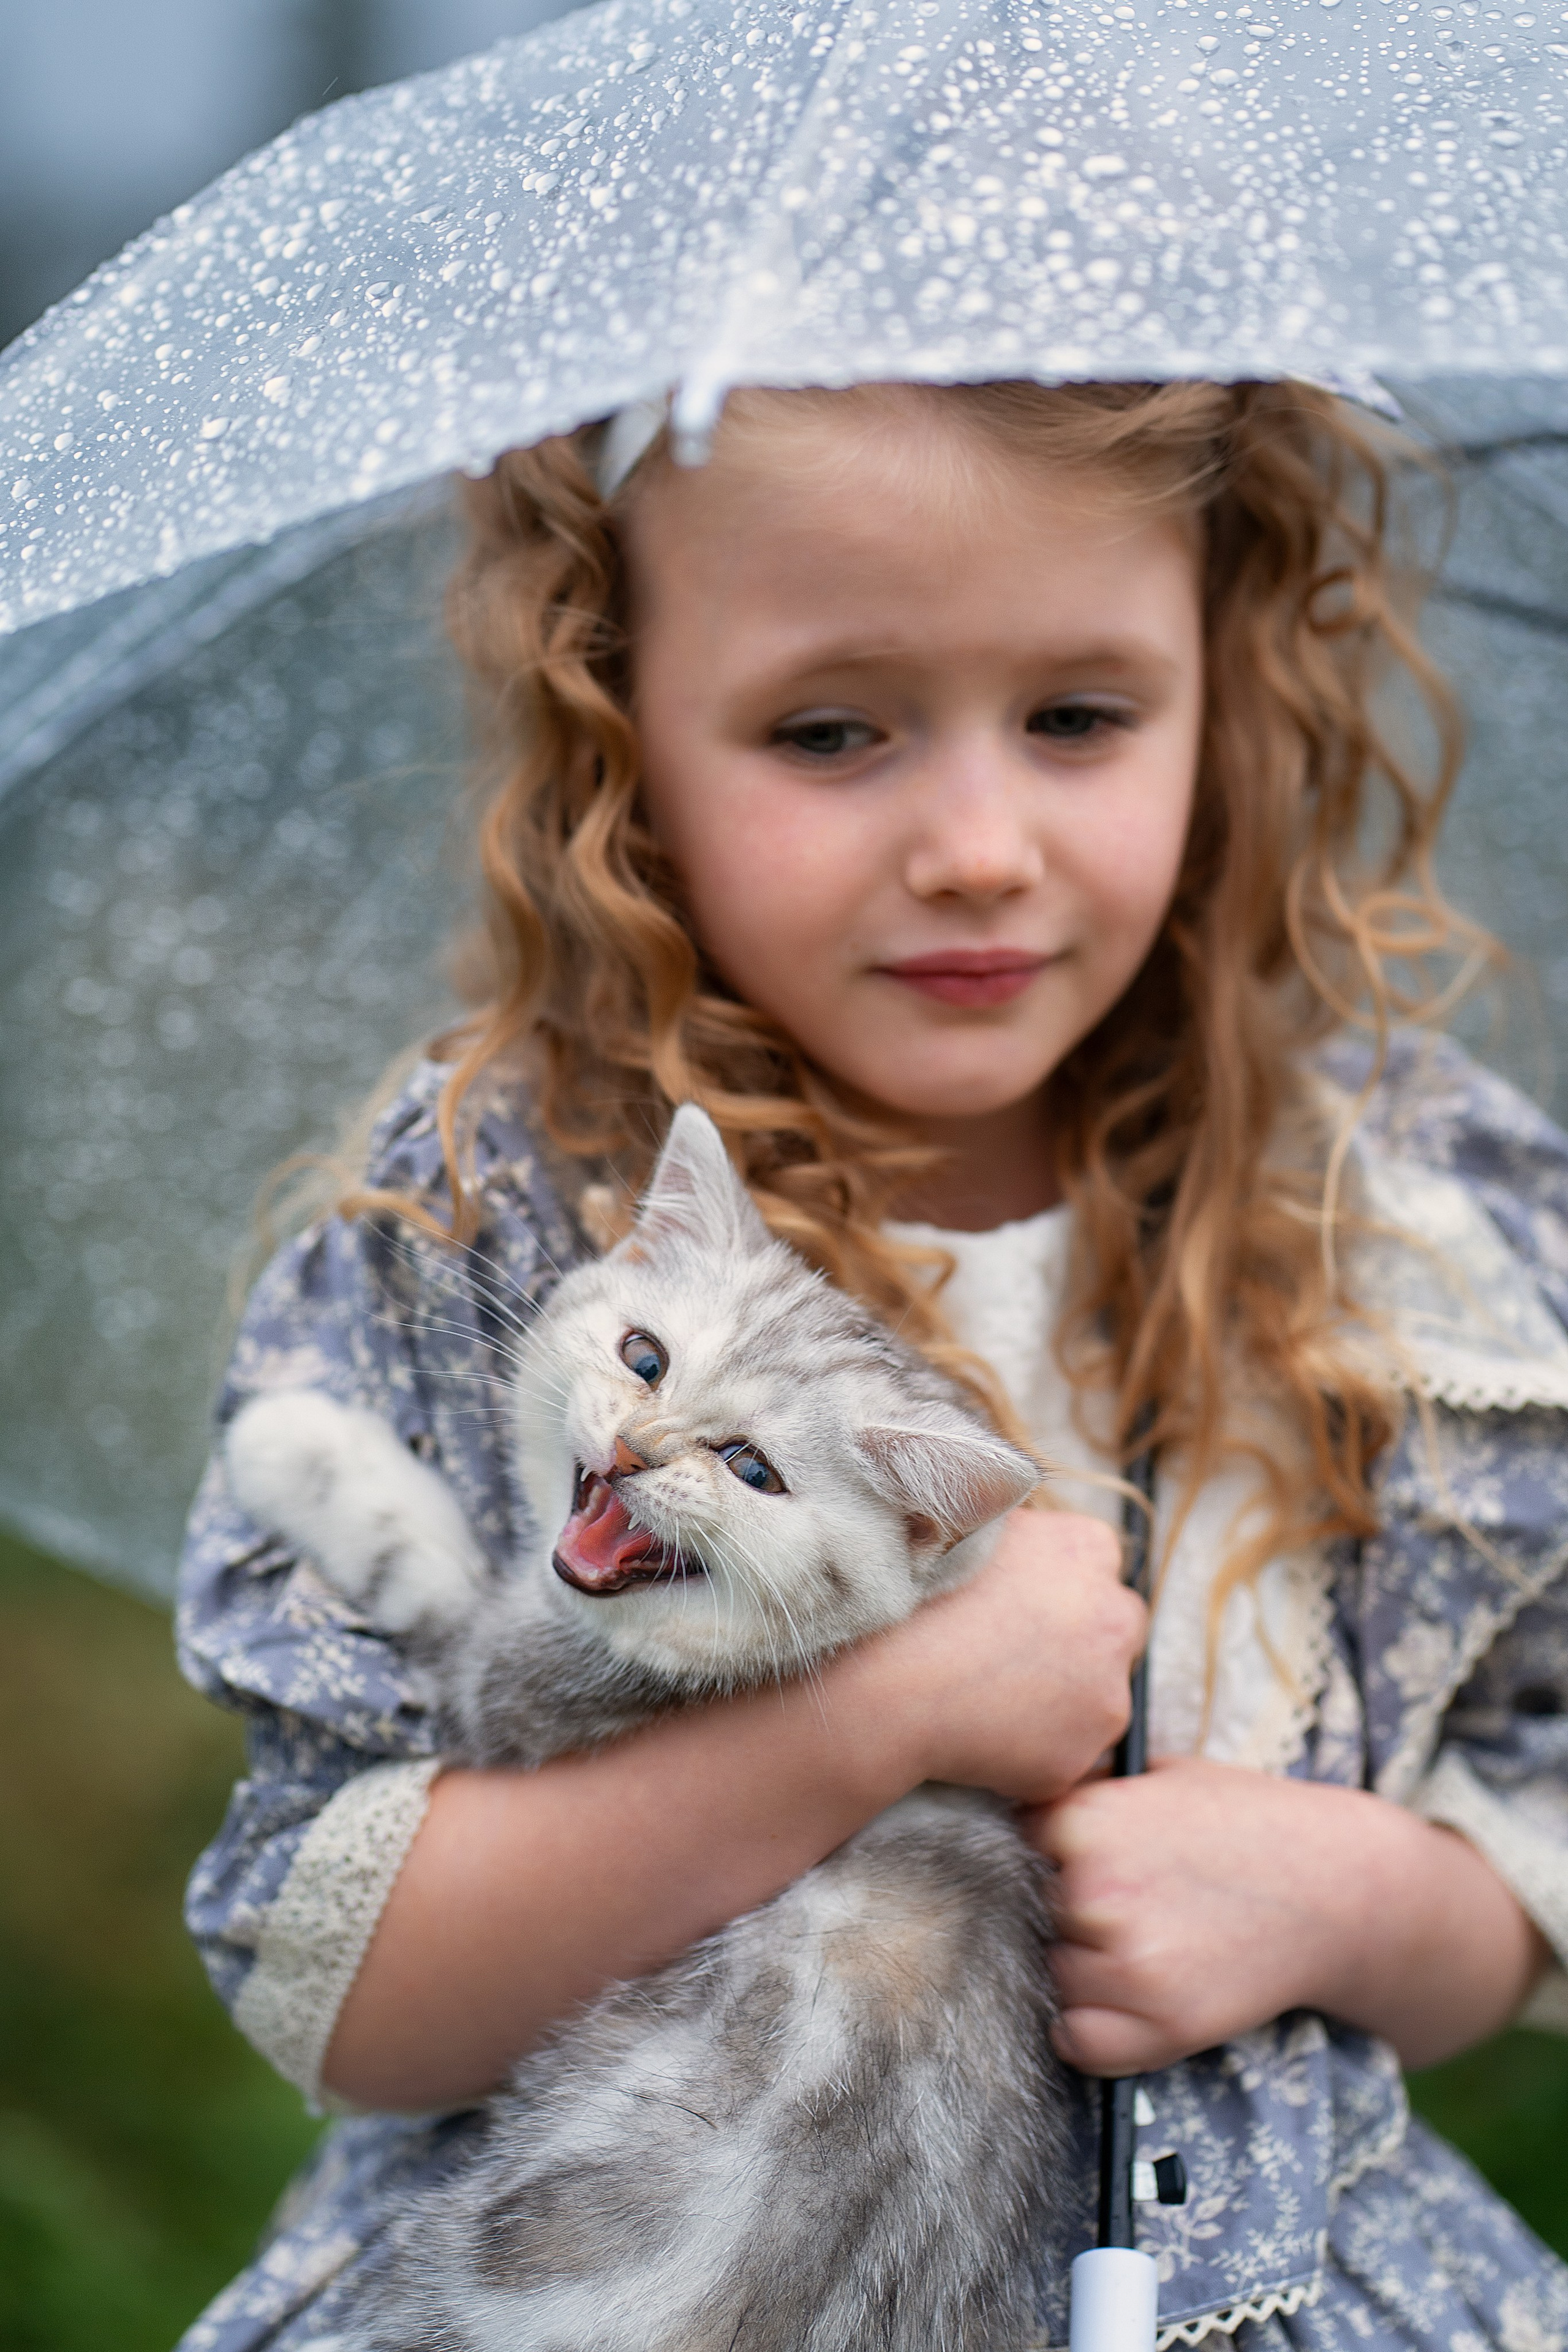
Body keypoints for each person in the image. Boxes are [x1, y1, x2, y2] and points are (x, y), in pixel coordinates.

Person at [175, 379, 1568, 2352]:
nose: (981, 847)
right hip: (646, 2273)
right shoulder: (508, 1212)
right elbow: (354, 2002)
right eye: (832, 729)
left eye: (1081, 716)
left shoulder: (1404, 1221)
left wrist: (1354, 1900)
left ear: (1226, 682)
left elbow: (1520, 1865)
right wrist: (874, 1725)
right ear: (619, 722)